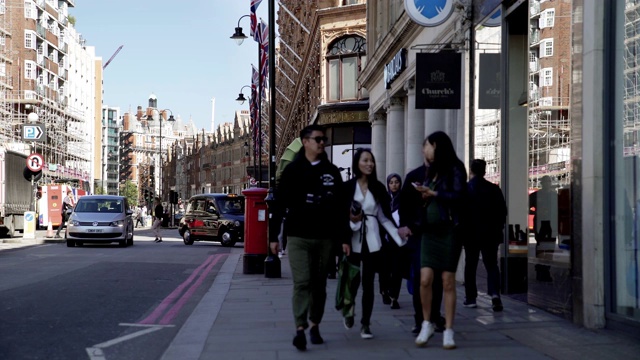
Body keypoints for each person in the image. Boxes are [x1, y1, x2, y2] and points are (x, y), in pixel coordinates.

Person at [271, 124, 350, 351]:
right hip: (297, 236)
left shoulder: (331, 171)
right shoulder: (293, 171)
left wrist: (344, 238)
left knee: (319, 285)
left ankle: (315, 324)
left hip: (325, 237)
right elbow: (279, 205)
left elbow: (340, 208)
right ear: (305, 141)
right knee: (302, 281)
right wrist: (273, 237)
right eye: (318, 139)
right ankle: (300, 328)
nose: (322, 142)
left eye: (323, 139)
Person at [406, 131, 467, 350]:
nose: (424, 150)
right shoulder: (429, 172)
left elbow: (460, 197)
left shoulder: (455, 168)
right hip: (429, 231)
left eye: (427, 146)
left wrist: (433, 194)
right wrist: (423, 196)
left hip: (449, 231)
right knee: (424, 279)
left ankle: (448, 330)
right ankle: (426, 322)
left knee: (448, 281)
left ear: (437, 146)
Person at [343, 149, 404, 339]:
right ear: (357, 163)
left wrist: (399, 236)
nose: (370, 164)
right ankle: (349, 307)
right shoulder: (347, 187)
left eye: (372, 161)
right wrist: (349, 226)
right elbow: (339, 216)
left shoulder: (377, 188)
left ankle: (366, 324)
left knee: (369, 283)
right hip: (352, 238)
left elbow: (384, 217)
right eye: (365, 160)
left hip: (372, 240)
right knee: (353, 281)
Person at [398, 162, 446, 336]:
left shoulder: (445, 176)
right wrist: (404, 225)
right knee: (421, 278)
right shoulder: (414, 176)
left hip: (440, 233)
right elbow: (404, 202)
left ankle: (434, 316)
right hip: (418, 233)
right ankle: (420, 319)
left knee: (438, 279)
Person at [463, 159, 507, 312]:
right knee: (492, 265)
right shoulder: (494, 189)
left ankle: (471, 298)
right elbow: (502, 212)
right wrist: (497, 228)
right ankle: (495, 295)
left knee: (471, 266)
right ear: (485, 171)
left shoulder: (467, 189)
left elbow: (461, 215)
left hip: (471, 235)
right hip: (490, 235)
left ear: (471, 171)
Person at [378, 173, 405, 309]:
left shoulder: (404, 201)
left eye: (396, 182)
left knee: (397, 270)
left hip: (398, 242)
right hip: (385, 241)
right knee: (385, 269)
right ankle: (384, 291)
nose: (394, 185)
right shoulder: (384, 200)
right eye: (391, 182)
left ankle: (394, 296)